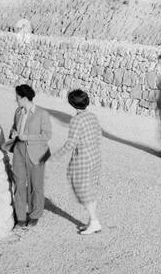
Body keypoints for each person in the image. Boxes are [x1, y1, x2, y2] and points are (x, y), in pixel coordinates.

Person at [6, 83, 52, 228]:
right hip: (19, 149)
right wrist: (13, 133)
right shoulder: (18, 112)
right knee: (19, 183)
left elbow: (46, 135)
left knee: (35, 185)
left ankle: (34, 214)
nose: (16, 100)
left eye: (18, 98)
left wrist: (28, 137)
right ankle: (20, 217)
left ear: (25, 98)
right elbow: (14, 128)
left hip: (36, 152)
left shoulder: (42, 114)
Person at [56, 89, 102, 235]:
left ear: (71, 103)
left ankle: (94, 222)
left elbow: (71, 143)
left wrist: (56, 156)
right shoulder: (92, 116)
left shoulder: (76, 120)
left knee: (83, 191)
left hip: (82, 158)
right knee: (90, 189)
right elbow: (98, 135)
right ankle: (92, 221)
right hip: (95, 156)